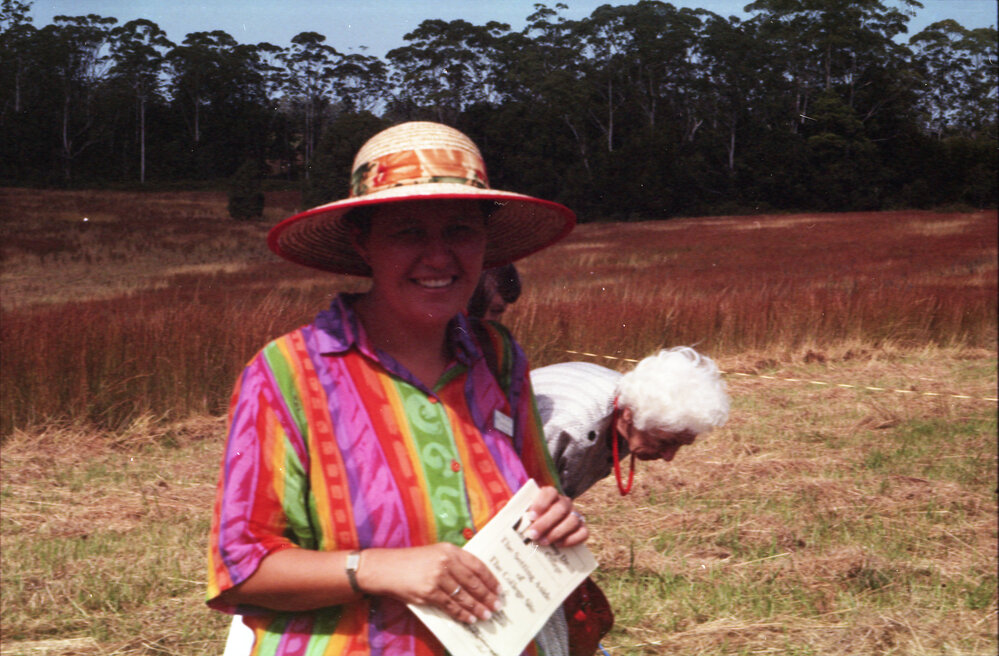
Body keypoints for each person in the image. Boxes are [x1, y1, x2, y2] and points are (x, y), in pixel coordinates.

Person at [209, 121, 586, 656]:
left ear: (485, 241)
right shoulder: (287, 373)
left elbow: (538, 497)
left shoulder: (499, 358)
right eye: (408, 231)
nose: (438, 257)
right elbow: (240, 567)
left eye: (460, 230)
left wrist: (557, 518)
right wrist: (379, 569)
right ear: (362, 242)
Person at [531, 347, 730, 498]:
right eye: (664, 442)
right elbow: (519, 504)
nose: (669, 457)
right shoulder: (569, 425)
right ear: (629, 414)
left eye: (681, 444)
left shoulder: (634, 404)